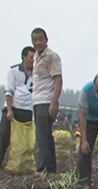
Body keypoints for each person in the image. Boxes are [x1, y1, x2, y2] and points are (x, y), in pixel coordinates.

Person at [31, 28, 63, 173]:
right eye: (34, 39)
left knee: (42, 137)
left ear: (46, 40)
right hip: (37, 101)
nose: (37, 42)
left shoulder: (51, 56)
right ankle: (51, 170)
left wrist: (54, 102)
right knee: (45, 136)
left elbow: (58, 80)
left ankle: (41, 168)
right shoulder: (36, 57)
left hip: (46, 101)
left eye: (40, 39)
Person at [0, 46, 35, 167]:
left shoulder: (37, 74)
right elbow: (9, 91)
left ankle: (21, 165)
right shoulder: (13, 71)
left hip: (27, 111)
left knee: (23, 142)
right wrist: (9, 110)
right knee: (3, 136)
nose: (33, 60)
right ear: (24, 57)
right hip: (12, 109)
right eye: (31, 57)